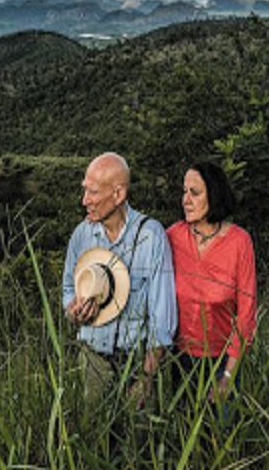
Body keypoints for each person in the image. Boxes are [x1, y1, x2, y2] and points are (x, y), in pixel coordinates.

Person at [62, 152, 177, 408]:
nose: (84, 201)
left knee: (138, 441)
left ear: (118, 194)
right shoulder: (81, 235)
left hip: (138, 362)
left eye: (92, 193)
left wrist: (147, 377)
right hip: (92, 359)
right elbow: (68, 290)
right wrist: (74, 311)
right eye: (84, 191)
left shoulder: (151, 236)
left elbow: (162, 317)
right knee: (94, 437)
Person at [166, 161, 256, 404]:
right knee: (182, 435)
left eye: (194, 193)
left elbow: (246, 314)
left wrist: (227, 375)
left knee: (221, 436)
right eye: (184, 192)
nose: (186, 199)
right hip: (178, 360)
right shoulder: (173, 236)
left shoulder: (239, 243)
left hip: (223, 360)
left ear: (214, 195)